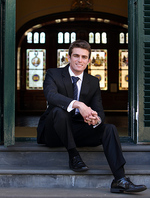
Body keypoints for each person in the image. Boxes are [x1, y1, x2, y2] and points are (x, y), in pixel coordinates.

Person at [37, 39, 147, 193]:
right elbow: (51, 96)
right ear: (68, 57)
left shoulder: (93, 82)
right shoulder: (53, 74)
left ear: (88, 61)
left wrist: (96, 119)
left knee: (109, 129)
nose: (79, 60)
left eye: (83, 57)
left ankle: (120, 179)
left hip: (78, 131)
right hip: (54, 132)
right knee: (58, 111)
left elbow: (99, 110)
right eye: (76, 56)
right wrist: (78, 104)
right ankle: (74, 156)